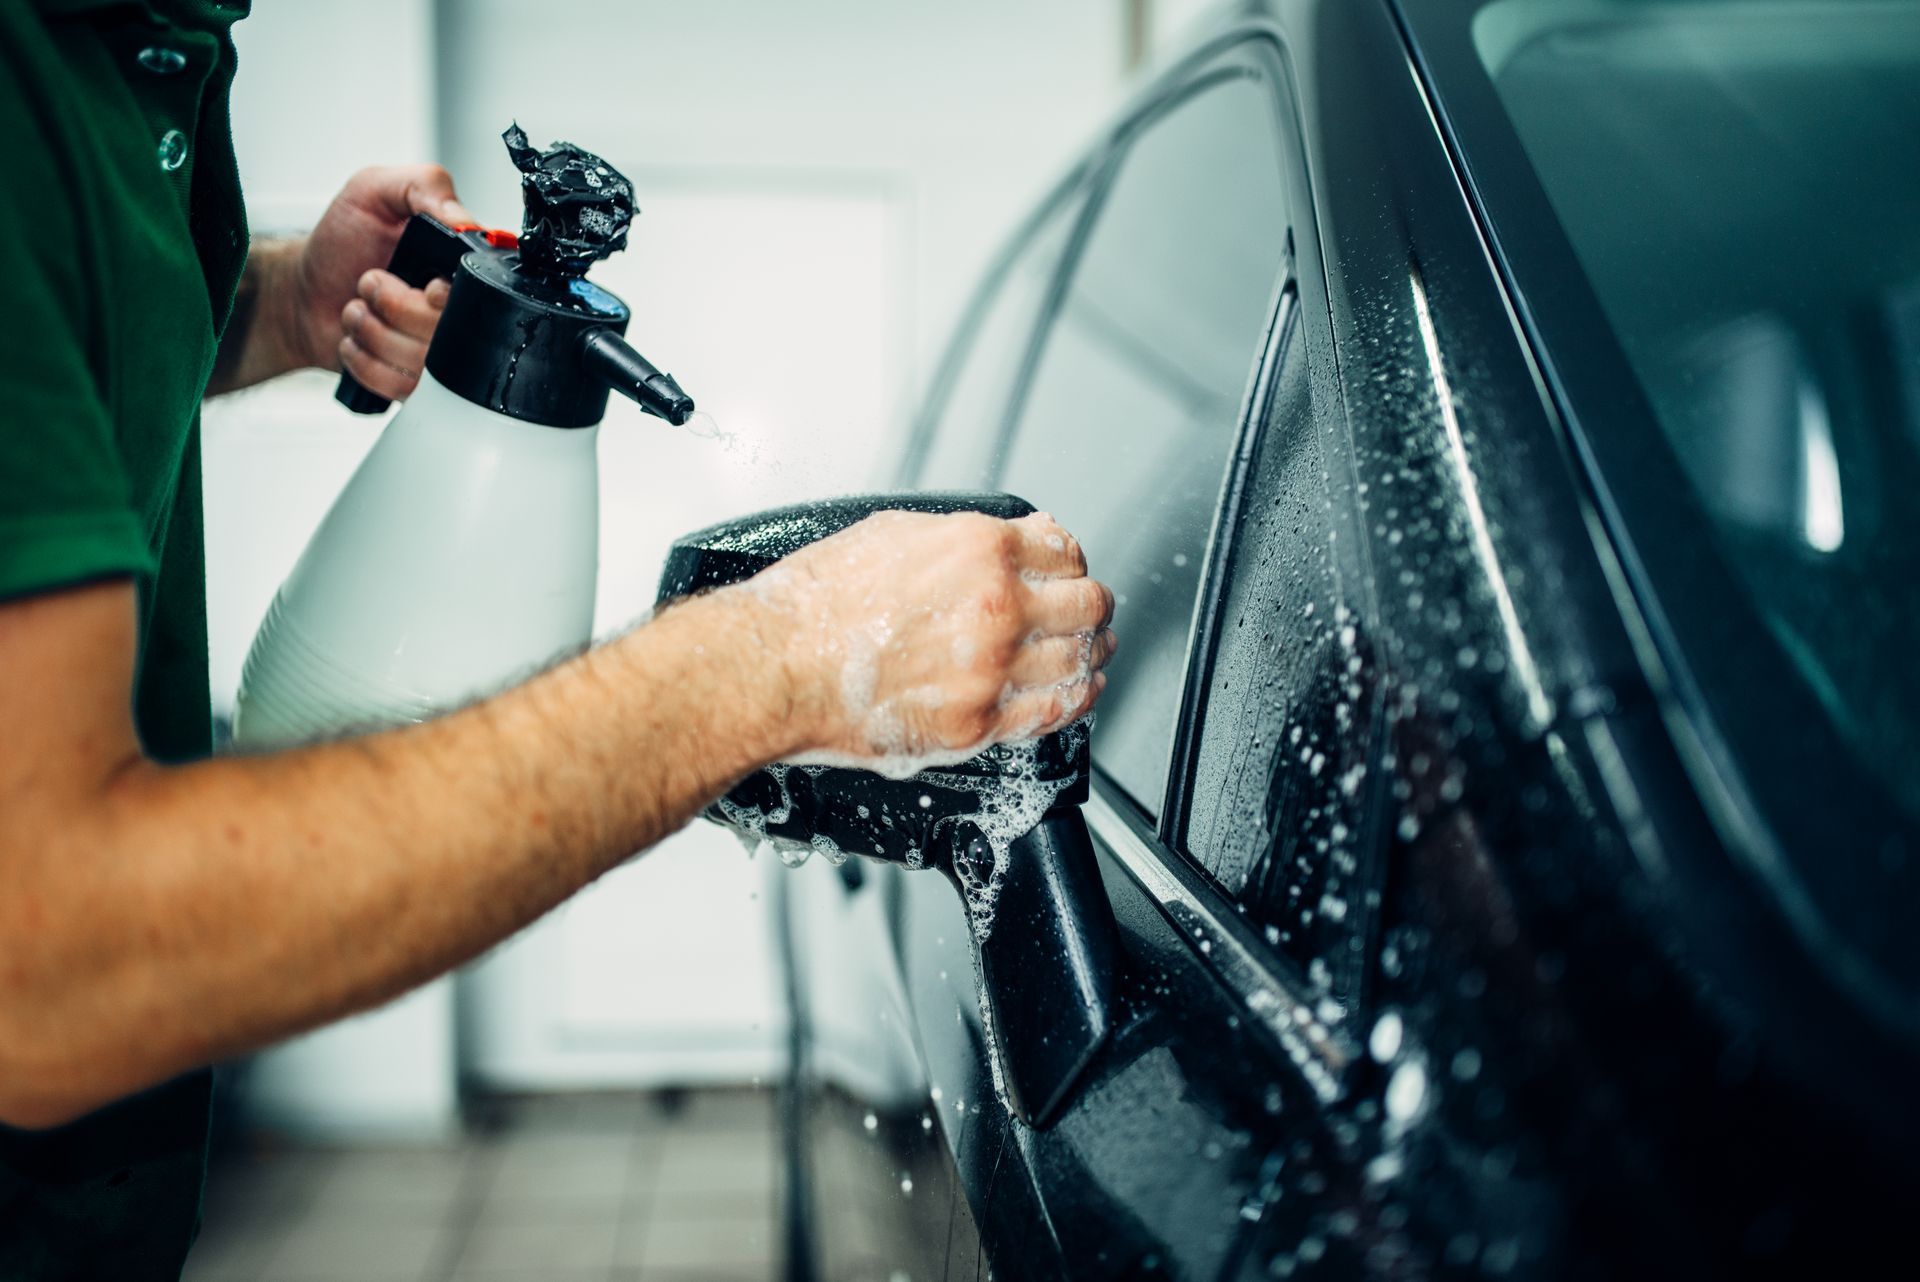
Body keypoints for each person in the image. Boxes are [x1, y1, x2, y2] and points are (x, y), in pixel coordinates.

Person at [0, 2, 1116, 1277]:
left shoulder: (158, 38)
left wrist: (271, 300)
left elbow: (53, 332)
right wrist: (781, 660)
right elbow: (49, 963)